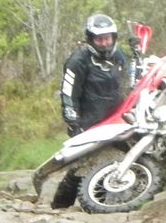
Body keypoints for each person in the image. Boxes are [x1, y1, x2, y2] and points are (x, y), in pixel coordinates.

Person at [51, 13, 131, 207]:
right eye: (99, 39)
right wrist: (73, 122)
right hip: (88, 120)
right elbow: (68, 93)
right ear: (91, 39)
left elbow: (130, 82)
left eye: (107, 38)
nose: (104, 43)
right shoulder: (77, 61)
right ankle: (60, 205)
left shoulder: (120, 56)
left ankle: (106, 202)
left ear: (113, 37)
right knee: (83, 165)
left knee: (123, 158)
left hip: (117, 119)